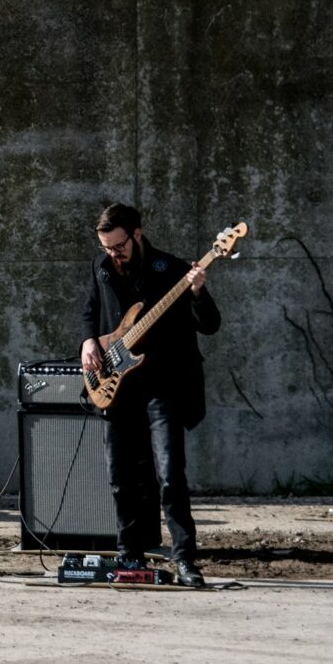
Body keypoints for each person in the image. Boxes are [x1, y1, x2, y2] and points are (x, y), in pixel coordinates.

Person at [79, 203, 220, 588]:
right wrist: (88, 341)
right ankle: (129, 554)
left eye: (118, 246)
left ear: (137, 234)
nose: (113, 253)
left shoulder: (171, 270)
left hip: (163, 387)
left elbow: (210, 324)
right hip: (117, 386)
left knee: (170, 476)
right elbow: (89, 310)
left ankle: (185, 558)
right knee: (120, 477)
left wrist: (197, 291)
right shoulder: (101, 266)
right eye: (106, 247)